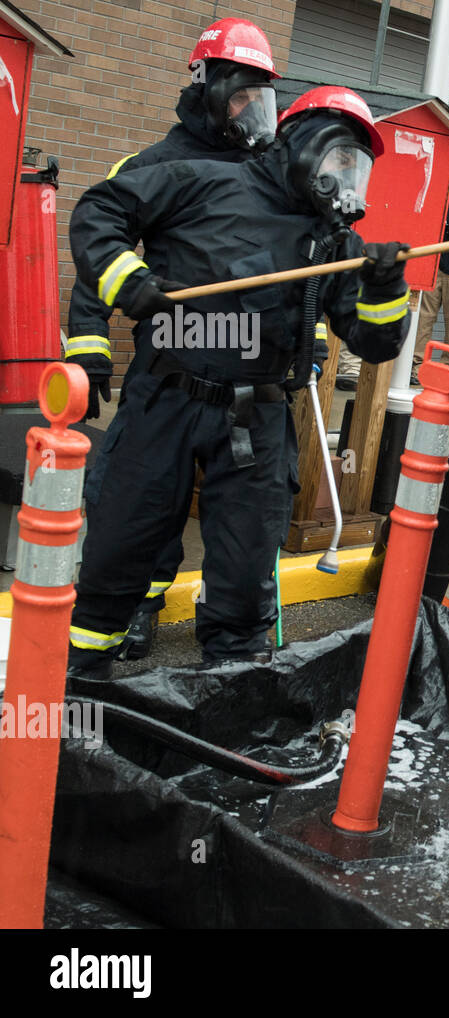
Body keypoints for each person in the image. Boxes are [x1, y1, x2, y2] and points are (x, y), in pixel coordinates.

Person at [66, 87, 410, 678]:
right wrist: (128, 279)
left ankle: (231, 706)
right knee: (119, 552)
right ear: (303, 144)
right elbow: (99, 211)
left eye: (357, 166)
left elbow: (374, 342)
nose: (346, 177)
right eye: (339, 157)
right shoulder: (200, 181)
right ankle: (79, 696)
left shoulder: (334, 243)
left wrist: (383, 289)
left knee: (245, 580)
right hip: (163, 400)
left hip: (256, 421)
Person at [63, 17, 281, 662]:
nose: (251, 110)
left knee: (235, 528)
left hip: (245, 382)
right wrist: (89, 343)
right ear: (206, 87)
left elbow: (296, 269)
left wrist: (309, 344)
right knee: (140, 507)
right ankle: (137, 609)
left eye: (259, 98)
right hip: (168, 369)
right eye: (240, 94)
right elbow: (98, 255)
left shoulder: (273, 174)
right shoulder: (153, 167)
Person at [339, 144, 449, 388]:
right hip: (433, 267)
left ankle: (448, 372)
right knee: (422, 321)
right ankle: (414, 368)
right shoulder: (440, 187)